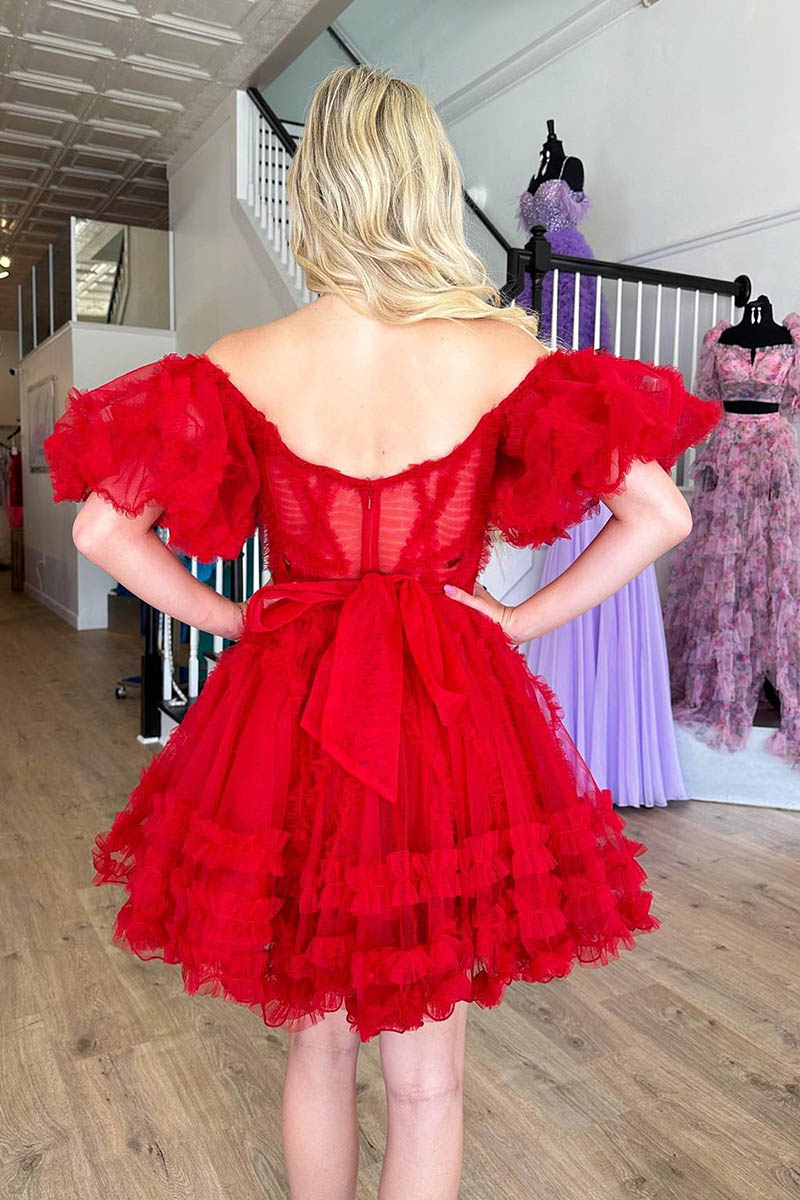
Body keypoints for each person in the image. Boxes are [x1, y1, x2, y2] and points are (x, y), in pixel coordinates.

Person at [43, 65, 719, 1200]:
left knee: (317, 1047)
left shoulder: (241, 360)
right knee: (428, 1083)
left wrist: (232, 615)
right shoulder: (502, 353)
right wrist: (516, 619)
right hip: (447, 715)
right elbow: (661, 514)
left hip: (290, 704)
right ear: (423, 183)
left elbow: (103, 528)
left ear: (318, 188)